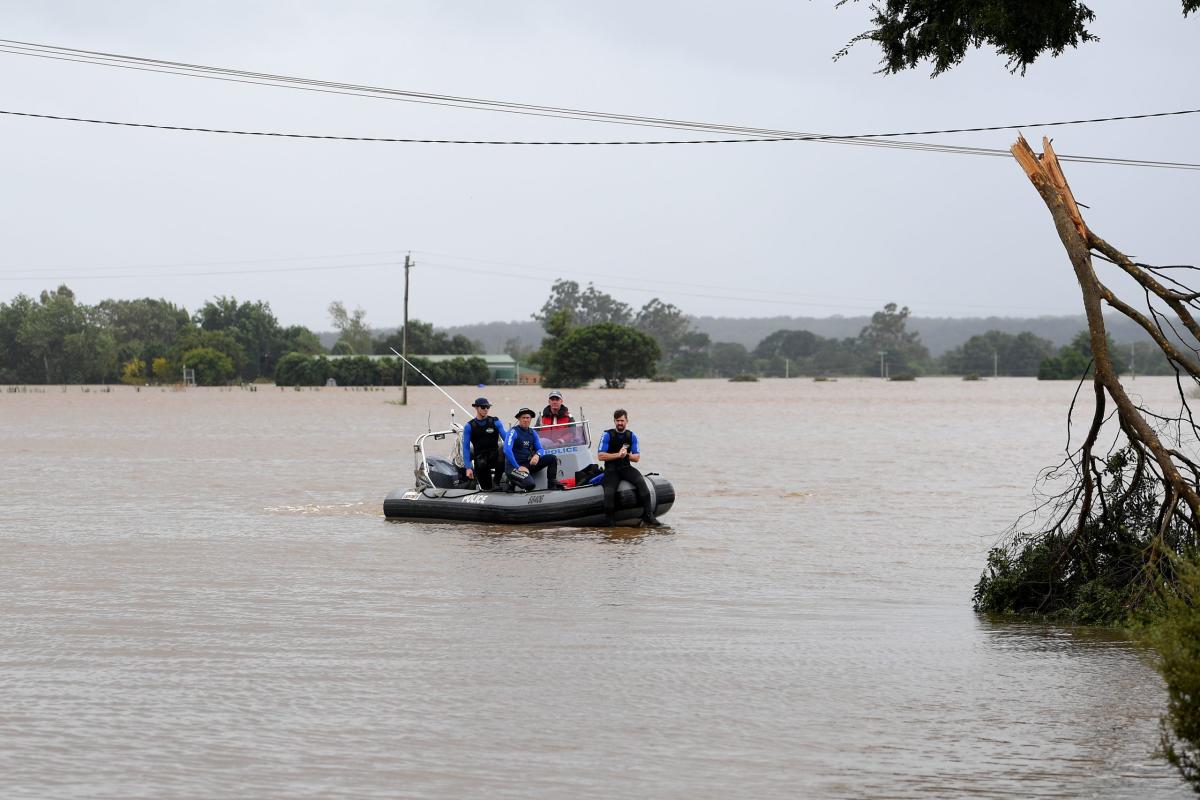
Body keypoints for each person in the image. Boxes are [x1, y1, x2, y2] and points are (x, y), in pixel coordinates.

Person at [597, 408, 661, 527]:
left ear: (627, 421)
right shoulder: (607, 435)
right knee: (609, 493)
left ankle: (648, 516)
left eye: (622, 420)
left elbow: (636, 458)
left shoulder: (631, 436)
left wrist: (626, 455)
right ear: (614, 421)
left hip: (626, 467)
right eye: (617, 421)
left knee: (642, 483)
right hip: (611, 470)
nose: (620, 423)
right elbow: (600, 456)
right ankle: (610, 522)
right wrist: (618, 455)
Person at [504, 407, 562, 491]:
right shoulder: (513, 432)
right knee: (530, 484)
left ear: (530, 419)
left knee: (552, 458)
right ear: (519, 419)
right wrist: (518, 467)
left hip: (527, 464)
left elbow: (541, 449)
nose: (526, 420)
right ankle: (510, 481)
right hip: (513, 467)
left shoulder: (532, 433)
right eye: (523, 418)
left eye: (528, 418)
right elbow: (507, 450)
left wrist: (537, 455)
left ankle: (552, 486)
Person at [462, 397, 506, 490]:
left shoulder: (495, 422)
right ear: (476, 408)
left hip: (495, 456)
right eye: (483, 407)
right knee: (487, 488)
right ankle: (488, 487)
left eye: (487, 407)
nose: (486, 409)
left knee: (503, 448)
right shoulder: (469, 426)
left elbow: (507, 439)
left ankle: (496, 482)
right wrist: (468, 467)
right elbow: (465, 447)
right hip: (480, 460)